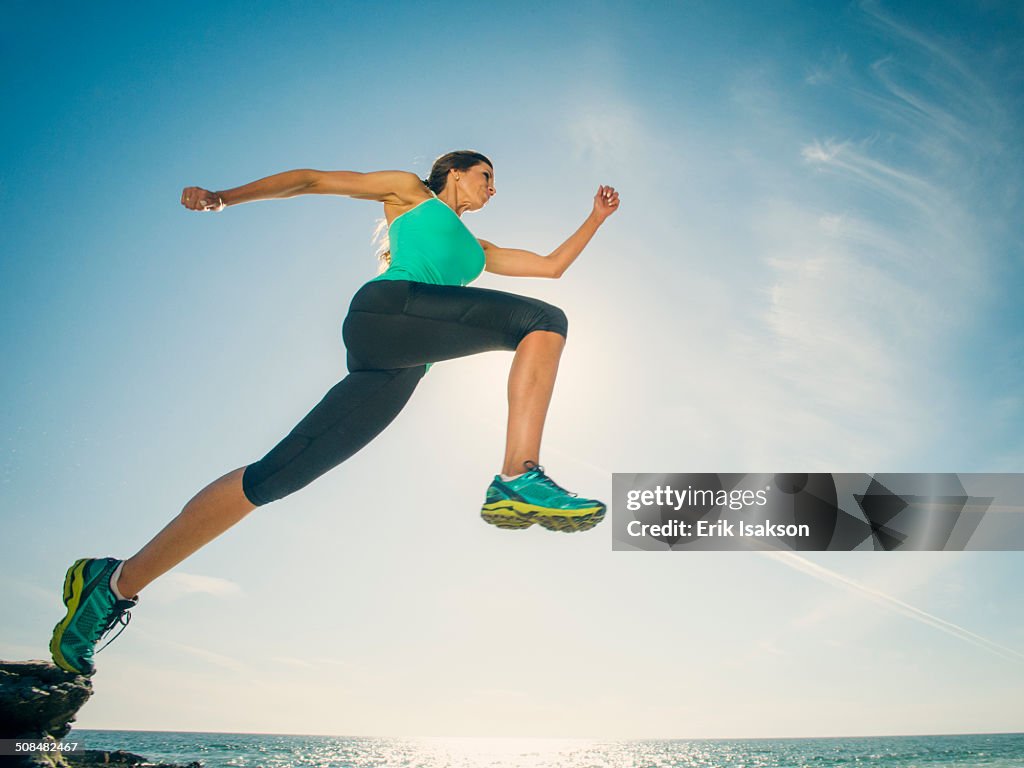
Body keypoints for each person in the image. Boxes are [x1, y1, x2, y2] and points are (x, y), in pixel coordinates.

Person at [50, 150, 620, 676]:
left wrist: (595, 218)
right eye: (486, 177)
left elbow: (549, 266)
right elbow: (311, 181)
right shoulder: (409, 194)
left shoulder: (479, 250)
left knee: (274, 478)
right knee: (543, 321)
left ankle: (112, 584)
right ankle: (518, 476)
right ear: (453, 172)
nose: (493, 189)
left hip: (399, 366)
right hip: (386, 313)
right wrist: (225, 196)